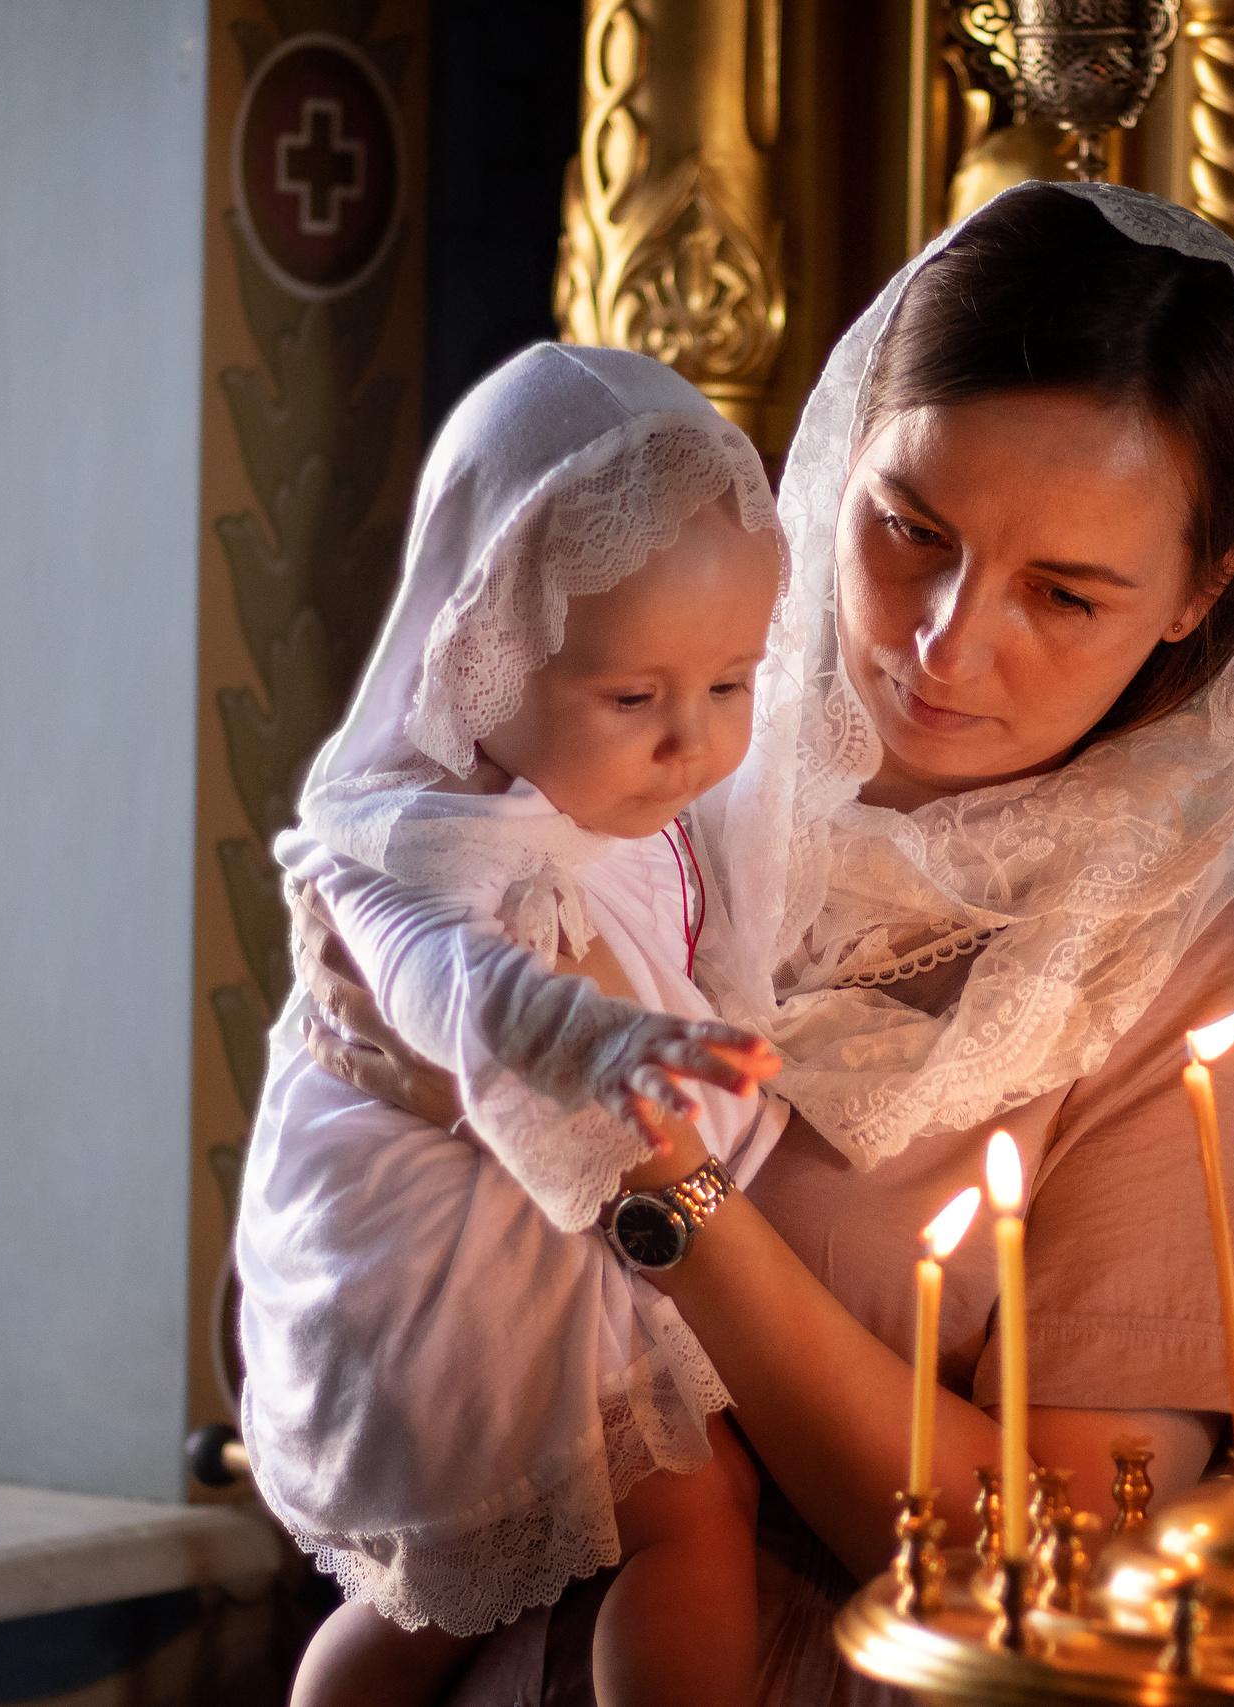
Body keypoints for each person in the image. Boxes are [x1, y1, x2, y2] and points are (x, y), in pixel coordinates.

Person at [296, 184, 1234, 1704]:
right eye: (909, 530)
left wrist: (659, 1181)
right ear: (841, 456)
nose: (945, 640)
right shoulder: (652, 736)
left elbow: (1040, 1582)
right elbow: (337, 1284)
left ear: (1198, 595)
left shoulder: (1203, 958)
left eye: (1064, 592)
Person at [235, 343, 791, 1707]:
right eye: (635, 698)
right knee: (692, 1516)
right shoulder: (425, 835)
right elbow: (443, 986)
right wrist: (592, 1038)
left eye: (732, 683)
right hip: (440, 1267)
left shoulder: (620, 798)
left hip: (542, 1223)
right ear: (484, 660)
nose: (694, 744)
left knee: (429, 1609)